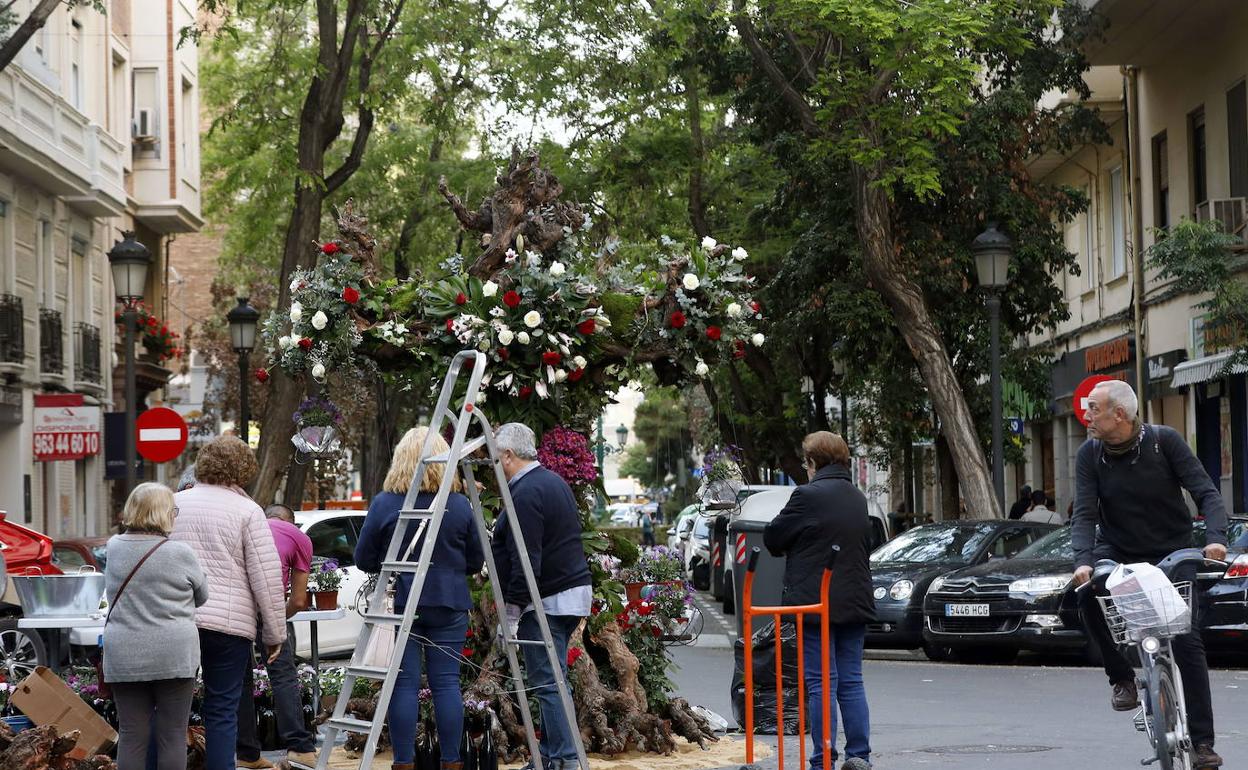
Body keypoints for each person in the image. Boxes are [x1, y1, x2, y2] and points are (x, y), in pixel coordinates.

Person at [1073, 380, 1227, 769]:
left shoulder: (1165, 442)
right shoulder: (1090, 455)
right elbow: (1085, 514)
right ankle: (1122, 679)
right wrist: (1083, 561)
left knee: (1188, 643)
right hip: (1118, 553)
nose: (1086, 416)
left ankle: (1203, 744)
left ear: (1119, 415)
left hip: (1173, 551)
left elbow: (1206, 493)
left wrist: (1215, 540)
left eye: (1094, 409)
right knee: (1087, 596)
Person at [355, 427, 484, 770]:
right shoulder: (458, 505)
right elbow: (475, 560)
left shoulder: (385, 503)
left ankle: (403, 763)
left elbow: (364, 558)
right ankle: (452, 763)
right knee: (446, 684)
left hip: (400, 604)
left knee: (404, 685)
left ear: (400, 461)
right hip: (449, 602)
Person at [172, 436, 287, 770]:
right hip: (228, 625)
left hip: (178, 619)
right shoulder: (248, 511)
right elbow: (265, 577)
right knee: (222, 709)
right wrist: (274, 633)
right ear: (244, 469)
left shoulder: (175, 505)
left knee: (172, 709)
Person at [762, 432, 873, 770]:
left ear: (813, 463)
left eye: (806, 463)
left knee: (822, 681)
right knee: (851, 680)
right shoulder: (857, 497)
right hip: (854, 600)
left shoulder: (807, 496)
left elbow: (773, 537)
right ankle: (859, 756)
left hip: (816, 603)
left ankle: (823, 758)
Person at [491, 423, 591, 770]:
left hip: (546, 599)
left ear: (508, 455)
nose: (494, 466)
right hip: (568, 593)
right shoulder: (552, 482)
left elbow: (525, 557)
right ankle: (552, 754)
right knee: (554, 679)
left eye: (496, 458)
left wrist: (514, 611)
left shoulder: (526, 492)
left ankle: (562, 757)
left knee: (547, 681)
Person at [105, 482, 208, 770]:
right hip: (174, 654)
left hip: (125, 654)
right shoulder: (180, 552)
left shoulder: (114, 548)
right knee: (173, 736)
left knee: (131, 735)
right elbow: (202, 596)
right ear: (163, 513)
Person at [237, 503, 317, 769]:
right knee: (282, 676)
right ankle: (299, 748)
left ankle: (247, 754)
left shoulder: (247, 527)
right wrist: (276, 618)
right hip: (269, 605)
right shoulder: (298, 537)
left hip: (234, 607)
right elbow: (298, 600)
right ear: (291, 521)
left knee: (240, 679)